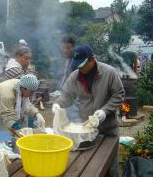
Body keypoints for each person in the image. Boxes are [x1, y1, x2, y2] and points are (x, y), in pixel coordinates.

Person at [52, 44, 124, 177]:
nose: (80, 68)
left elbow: (119, 94)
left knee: (111, 166)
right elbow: (67, 96)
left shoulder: (109, 72)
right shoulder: (75, 76)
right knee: (90, 166)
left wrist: (105, 111)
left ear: (92, 59)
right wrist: (58, 104)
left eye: (83, 64)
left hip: (108, 128)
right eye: (77, 65)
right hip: (87, 128)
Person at [0, 74, 45, 146]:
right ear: (23, 88)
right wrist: (21, 131)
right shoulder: (7, 94)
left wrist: (36, 114)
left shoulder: (21, 86)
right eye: (31, 92)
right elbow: (8, 117)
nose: (32, 94)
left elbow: (27, 105)